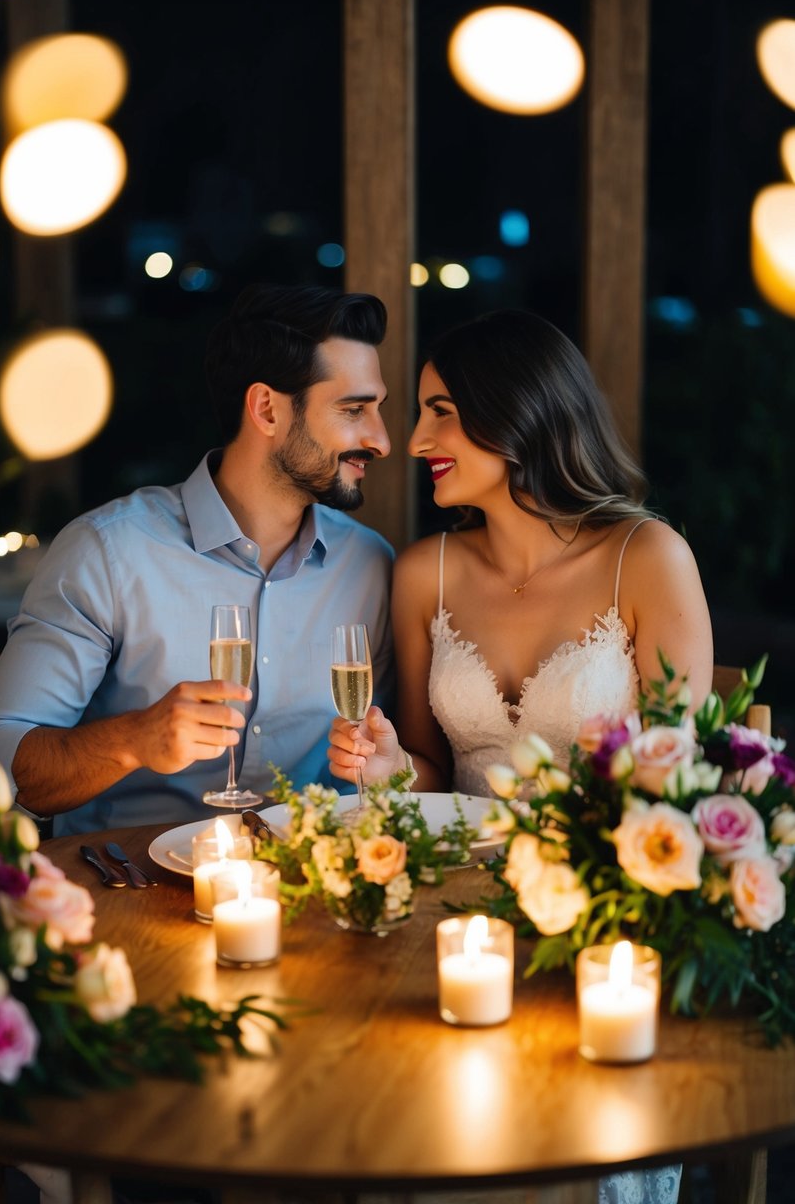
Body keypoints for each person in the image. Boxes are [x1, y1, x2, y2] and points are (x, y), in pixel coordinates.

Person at [329, 307, 711, 1204]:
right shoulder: (424, 571)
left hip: (598, 926)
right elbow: (426, 767)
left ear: (521, 415)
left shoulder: (645, 557)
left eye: (442, 413)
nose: (416, 438)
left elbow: (677, 782)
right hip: (449, 921)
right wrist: (388, 767)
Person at [0, 284, 395, 836]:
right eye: (353, 409)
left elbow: (385, 763)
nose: (380, 440)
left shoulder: (369, 564)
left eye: (377, 409)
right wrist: (133, 740)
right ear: (266, 408)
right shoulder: (108, 553)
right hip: (128, 892)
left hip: (312, 893)